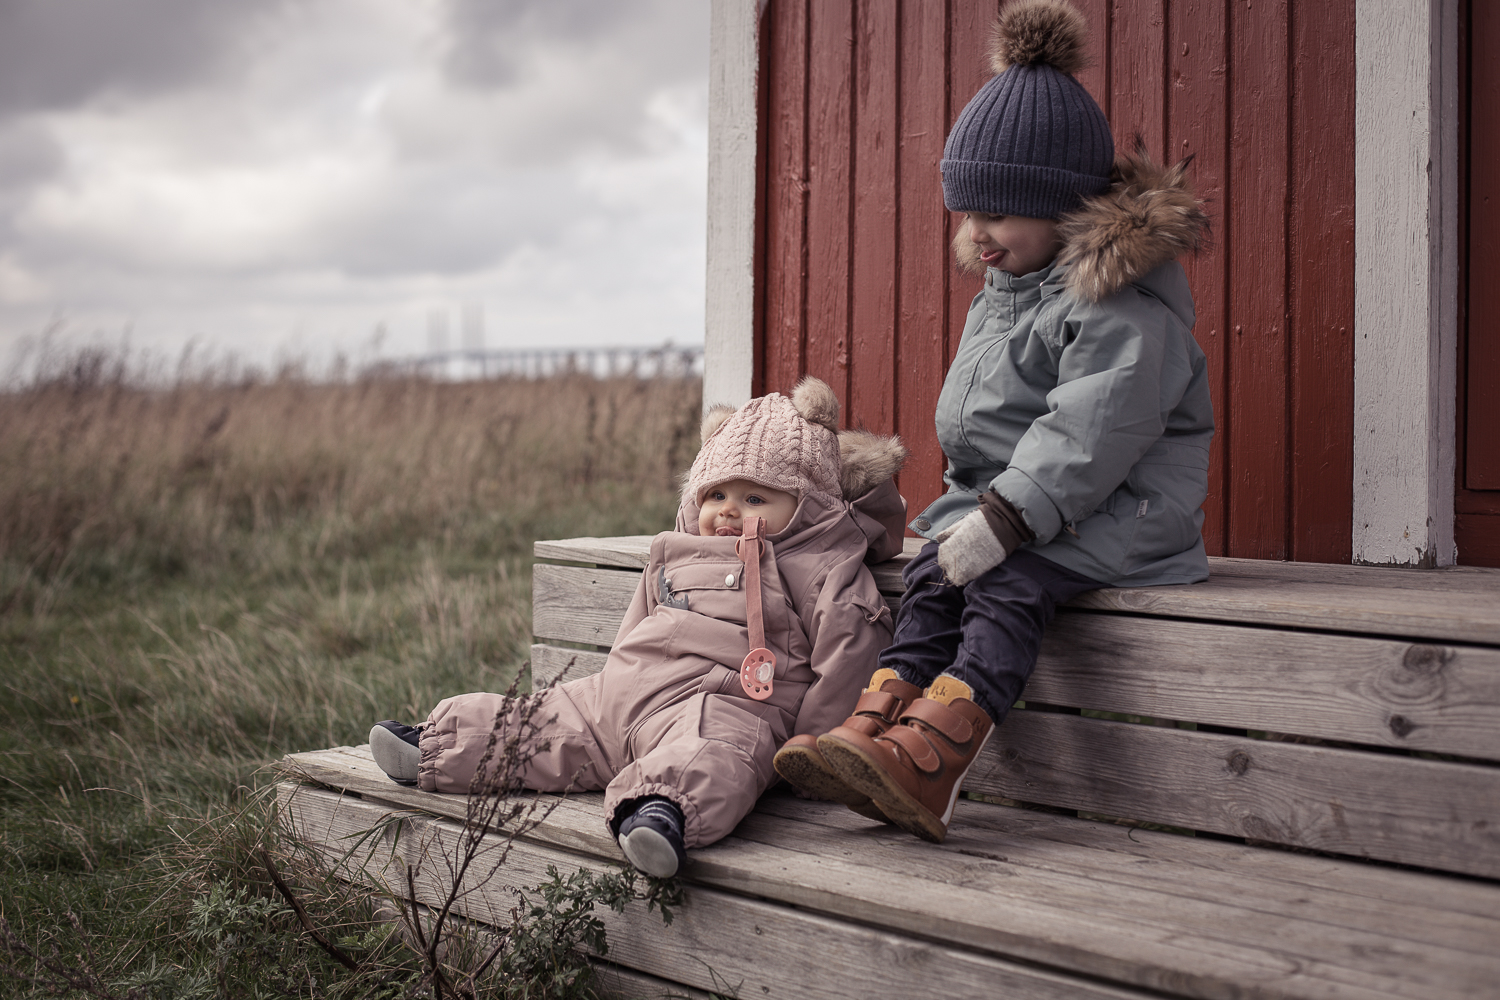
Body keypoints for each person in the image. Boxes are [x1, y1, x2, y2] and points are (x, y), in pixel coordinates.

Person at [777, 0, 1213, 844]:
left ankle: (935, 758)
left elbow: (1089, 435)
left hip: (1119, 515)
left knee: (1003, 587)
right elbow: (985, 431)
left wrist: (1005, 521)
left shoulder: (1124, 309)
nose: (975, 235)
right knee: (939, 578)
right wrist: (967, 518)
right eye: (965, 216)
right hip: (1017, 512)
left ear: (1066, 207)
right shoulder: (1006, 296)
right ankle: (875, 731)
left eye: (997, 215)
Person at [368, 377, 908, 877]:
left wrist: (811, 752)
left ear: (806, 507)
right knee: (548, 719)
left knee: (713, 753)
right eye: (716, 495)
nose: (727, 512)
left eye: (754, 499)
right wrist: (610, 687)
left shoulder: (820, 568)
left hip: (729, 704)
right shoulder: (672, 551)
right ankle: (441, 745)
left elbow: (851, 658)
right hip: (627, 694)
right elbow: (636, 626)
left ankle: (658, 812)